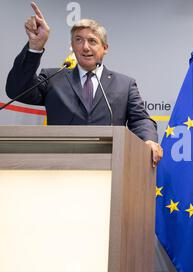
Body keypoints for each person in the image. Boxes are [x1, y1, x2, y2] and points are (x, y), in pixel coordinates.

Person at [5, 2, 162, 166]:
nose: (85, 47)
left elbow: (141, 120)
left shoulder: (125, 84)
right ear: (72, 46)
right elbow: (17, 89)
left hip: (110, 168)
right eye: (78, 40)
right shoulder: (53, 78)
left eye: (92, 41)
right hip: (59, 168)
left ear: (105, 48)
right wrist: (35, 47)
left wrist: (149, 140)